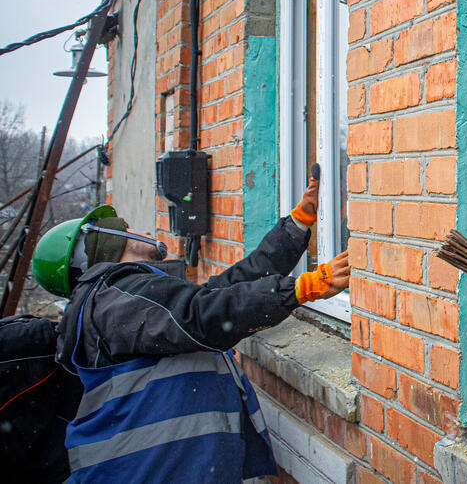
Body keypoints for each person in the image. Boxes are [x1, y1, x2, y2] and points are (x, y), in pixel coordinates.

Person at [30, 165, 350, 482]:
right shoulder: (114, 300)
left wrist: (296, 226)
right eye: (128, 228)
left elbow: (219, 292)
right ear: (105, 244)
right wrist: (299, 288)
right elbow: (202, 315)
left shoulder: (118, 299)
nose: (142, 231)